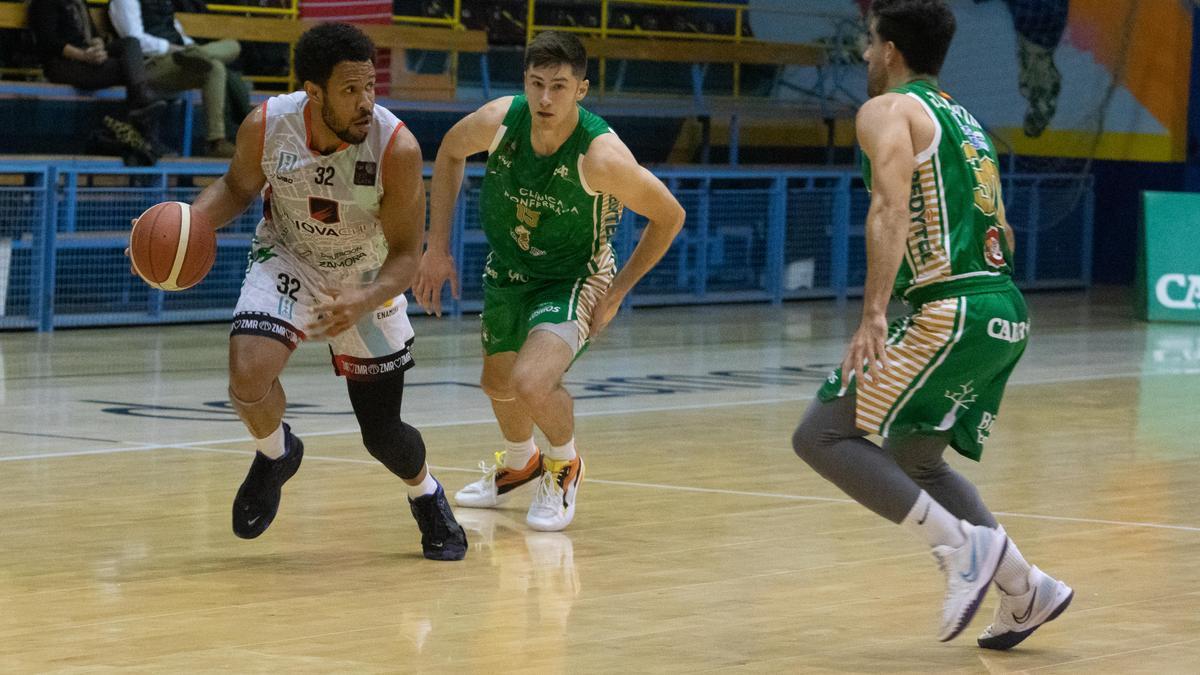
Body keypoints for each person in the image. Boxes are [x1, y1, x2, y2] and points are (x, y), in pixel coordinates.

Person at [791, 0, 1071, 647]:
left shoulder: (887, 110)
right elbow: (1000, 228)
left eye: (869, 45)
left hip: (953, 305)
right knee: (916, 458)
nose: (865, 57)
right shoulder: (966, 121)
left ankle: (958, 549)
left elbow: (889, 208)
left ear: (890, 50)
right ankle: (1027, 588)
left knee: (822, 434)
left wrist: (874, 314)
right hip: (1004, 307)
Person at [156, 22, 467, 560]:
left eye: (370, 86)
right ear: (314, 91)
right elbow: (235, 187)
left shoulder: (397, 148)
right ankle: (277, 454)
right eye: (350, 90)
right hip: (290, 255)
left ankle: (427, 495)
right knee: (248, 376)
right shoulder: (268, 125)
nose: (366, 102)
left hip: (367, 275)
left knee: (384, 436)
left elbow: (404, 255)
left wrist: (363, 300)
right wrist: (186, 227)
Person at [414, 30, 685, 532]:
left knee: (531, 382)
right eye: (536, 83)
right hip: (510, 270)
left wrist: (619, 291)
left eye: (559, 86)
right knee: (497, 383)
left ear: (581, 90)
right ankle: (521, 463)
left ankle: (563, 465)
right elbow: (450, 152)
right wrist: (437, 246)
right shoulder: (500, 121)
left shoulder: (601, 157)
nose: (544, 97)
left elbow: (669, 215)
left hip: (574, 277)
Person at [29, 0, 165, 163]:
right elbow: (49, 42)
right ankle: (142, 130)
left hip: (88, 57)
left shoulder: (79, 2)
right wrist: (84, 56)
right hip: (64, 64)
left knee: (131, 43)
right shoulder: (44, 3)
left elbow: (94, 35)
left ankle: (139, 115)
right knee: (132, 69)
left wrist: (98, 45)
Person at [109, 0, 246, 157]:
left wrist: (190, 48)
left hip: (178, 58)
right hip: (147, 65)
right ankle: (216, 142)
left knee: (231, 47)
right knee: (214, 66)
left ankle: (216, 142)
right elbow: (133, 41)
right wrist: (173, 48)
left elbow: (178, 34)